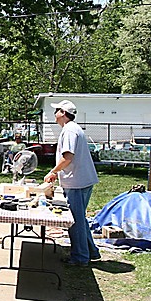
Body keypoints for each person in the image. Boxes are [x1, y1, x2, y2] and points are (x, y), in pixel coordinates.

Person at [43, 99, 101, 266]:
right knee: (80, 219)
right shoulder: (73, 129)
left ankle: (80, 258)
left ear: (63, 113)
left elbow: (68, 157)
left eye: (57, 111)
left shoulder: (69, 131)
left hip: (77, 182)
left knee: (74, 220)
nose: (54, 114)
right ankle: (91, 251)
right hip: (82, 180)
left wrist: (53, 171)